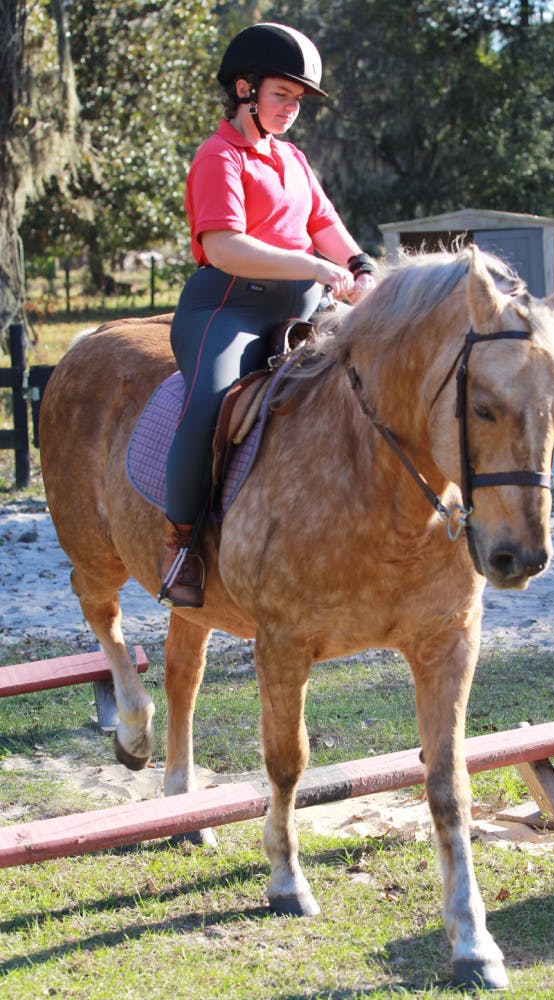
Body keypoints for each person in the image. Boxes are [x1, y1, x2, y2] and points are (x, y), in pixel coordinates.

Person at [158, 22, 377, 609]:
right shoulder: (217, 158)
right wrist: (312, 267)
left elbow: (324, 225)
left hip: (300, 304)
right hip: (227, 307)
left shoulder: (293, 159)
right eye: (282, 96)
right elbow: (225, 245)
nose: (290, 110)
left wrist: (358, 264)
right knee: (208, 404)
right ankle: (180, 545)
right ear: (245, 90)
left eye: (297, 101)